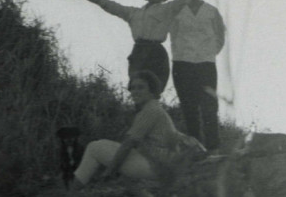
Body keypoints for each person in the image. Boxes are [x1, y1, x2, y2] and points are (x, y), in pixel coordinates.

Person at [62, 0, 226, 90]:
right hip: (137, 55)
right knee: (136, 92)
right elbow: (104, 3)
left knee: (152, 94)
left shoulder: (169, 9)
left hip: (156, 55)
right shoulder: (133, 13)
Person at [69, 70, 204, 188]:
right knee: (100, 145)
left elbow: (128, 145)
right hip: (161, 164)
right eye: (133, 88)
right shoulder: (153, 108)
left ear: (152, 91)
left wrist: (109, 173)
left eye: (141, 88)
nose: (135, 92)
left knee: (94, 148)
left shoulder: (151, 110)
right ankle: (76, 194)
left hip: (157, 167)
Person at [170, 0, 227, 151]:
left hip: (206, 64)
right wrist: (181, 53)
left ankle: (213, 149)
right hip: (182, 64)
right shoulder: (177, 9)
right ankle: (196, 150)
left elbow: (220, 36)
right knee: (189, 108)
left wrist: (208, 53)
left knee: (210, 107)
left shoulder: (211, 11)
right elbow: (172, 34)